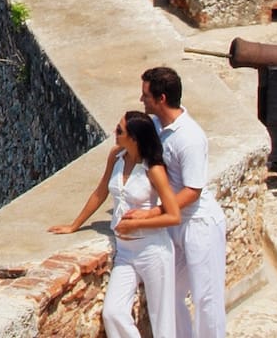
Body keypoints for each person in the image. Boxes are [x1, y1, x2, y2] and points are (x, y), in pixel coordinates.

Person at [48, 110, 182, 338]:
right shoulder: (116, 156)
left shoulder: (154, 169)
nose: (114, 133)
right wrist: (74, 225)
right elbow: (100, 192)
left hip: (153, 250)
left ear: (134, 138)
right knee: (113, 313)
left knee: (163, 321)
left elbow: (174, 216)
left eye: (120, 130)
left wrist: (139, 222)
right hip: (125, 251)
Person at [141, 65, 226, 338]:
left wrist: (156, 212)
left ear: (161, 98)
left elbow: (192, 191)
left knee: (206, 298)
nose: (141, 99)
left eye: (146, 95)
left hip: (199, 225)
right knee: (169, 292)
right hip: (175, 224)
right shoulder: (156, 126)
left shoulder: (190, 138)